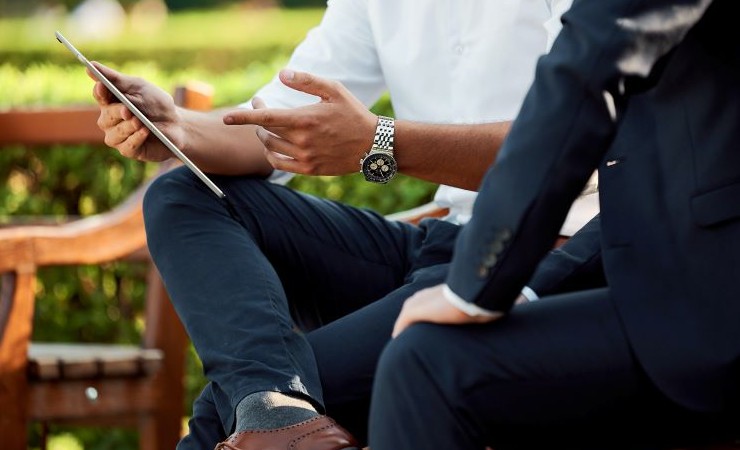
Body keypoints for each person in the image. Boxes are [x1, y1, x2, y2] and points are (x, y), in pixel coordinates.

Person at [89, 1, 597, 449]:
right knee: (181, 192)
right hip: (440, 241)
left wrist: (379, 142)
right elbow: (280, 121)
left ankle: (275, 414)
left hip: (546, 254)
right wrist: (178, 126)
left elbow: (570, 145)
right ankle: (277, 412)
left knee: (219, 420)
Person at [367, 0, 740, 449]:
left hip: (708, 301)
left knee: (425, 365)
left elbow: (587, 68)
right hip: (640, 271)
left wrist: (473, 286)